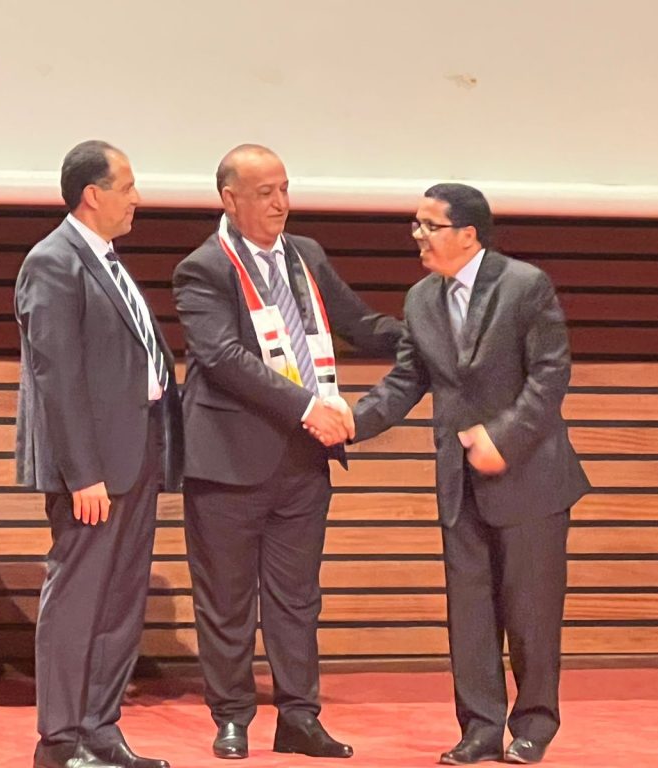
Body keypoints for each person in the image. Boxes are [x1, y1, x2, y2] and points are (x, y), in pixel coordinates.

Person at [172, 144, 402, 760]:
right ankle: (232, 717)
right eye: (265, 193)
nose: (280, 203)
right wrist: (306, 407)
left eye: (284, 189)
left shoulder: (306, 256)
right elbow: (222, 357)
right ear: (230, 199)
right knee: (226, 600)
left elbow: (358, 324)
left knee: (297, 598)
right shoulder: (203, 268)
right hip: (227, 464)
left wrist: (428, 336)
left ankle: (300, 716)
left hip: (303, 462)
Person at [350, 184, 590, 765]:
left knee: (531, 614)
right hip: (460, 482)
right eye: (416, 224)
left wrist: (502, 438)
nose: (418, 236)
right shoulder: (420, 299)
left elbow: (550, 375)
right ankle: (480, 728)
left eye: (429, 225)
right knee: (470, 616)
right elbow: (406, 381)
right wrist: (351, 422)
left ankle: (533, 724)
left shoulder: (524, 286)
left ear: (467, 234)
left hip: (529, 478)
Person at [15, 140, 183, 768]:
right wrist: (82, 473)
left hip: (136, 455)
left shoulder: (107, 261)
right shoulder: (53, 261)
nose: (137, 197)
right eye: (127, 186)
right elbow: (57, 376)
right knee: (79, 597)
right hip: (93, 471)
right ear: (93, 194)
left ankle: (100, 731)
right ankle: (61, 740)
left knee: (120, 599)